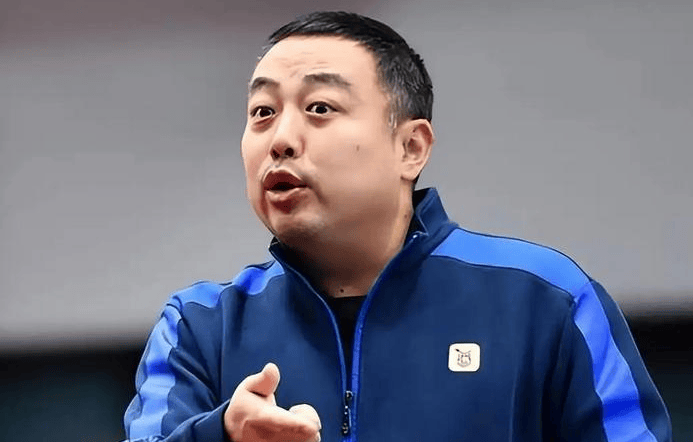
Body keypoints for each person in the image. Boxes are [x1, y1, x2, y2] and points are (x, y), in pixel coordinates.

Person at [123, 11, 672, 442]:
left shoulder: (545, 300)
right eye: (263, 112)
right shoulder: (201, 328)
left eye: (319, 107)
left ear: (411, 147)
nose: (281, 139)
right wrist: (221, 436)